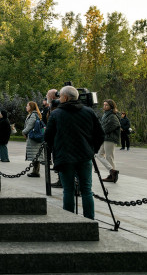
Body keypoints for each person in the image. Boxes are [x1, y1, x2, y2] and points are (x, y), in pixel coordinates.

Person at [44, 85, 104, 220]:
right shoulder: (88, 112)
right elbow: (100, 134)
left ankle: (69, 221)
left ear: (65, 97)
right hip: (84, 156)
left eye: (60, 96)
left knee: (68, 190)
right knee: (87, 190)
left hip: (65, 157)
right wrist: (92, 150)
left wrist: (57, 147)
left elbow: (48, 137)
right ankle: (89, 220)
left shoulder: (56, 114)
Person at [96, 99, 120, 183]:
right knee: (99, 154)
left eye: (106, 105)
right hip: (105, 138)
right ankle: (112, 171)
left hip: (110, 138)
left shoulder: (113, 116)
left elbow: (108, 128)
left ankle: (112, 175)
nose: (104, 106)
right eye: (104, 104)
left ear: (111, 106)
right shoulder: (106, 114)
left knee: (109, 156)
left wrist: (99, 132)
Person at [22, 101, 43, 178]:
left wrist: (23, 132)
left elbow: (30, 125)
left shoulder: (33, 115)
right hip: (34, 136)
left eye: (27, 106)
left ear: (31, 107)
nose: (26, 107)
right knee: (36, 154)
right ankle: (35, 171)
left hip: (33, 138)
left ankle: (35, 171)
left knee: (35, 154)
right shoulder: (34, 114)